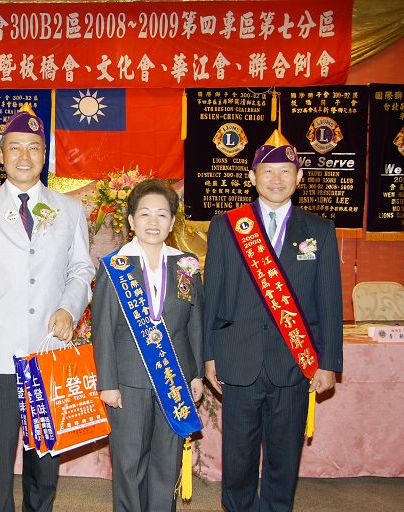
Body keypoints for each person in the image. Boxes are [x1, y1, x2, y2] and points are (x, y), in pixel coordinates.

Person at [0, 104, 94, 512]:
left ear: (44, 154)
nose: (24, 156)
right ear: (1, 153)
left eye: (33, 148)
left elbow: (82, 269)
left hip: (48, 351)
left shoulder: (69, 209)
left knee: (45, 460)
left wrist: (69, 309)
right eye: (15, 147)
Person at [203, 130, 343, 512]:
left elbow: (330, 301)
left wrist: (329, 362)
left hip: (295, 361)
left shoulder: (319, 229)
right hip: (239, 358)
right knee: (238, 457)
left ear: (299, 178)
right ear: (252, 177)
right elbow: (212, 295)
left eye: (286, 171)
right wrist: (209, 355)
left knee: (284, 459)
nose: (276, 179)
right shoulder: (227, 225)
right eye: (268, 171)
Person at [92, 179, 204, 512]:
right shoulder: (115, 266)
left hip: (174, 378)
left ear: (172, 222)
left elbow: (195, 323)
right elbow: (102, 329)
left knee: (166, 462)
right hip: (128, 382)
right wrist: (107, 383)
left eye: (161, 214)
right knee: (129, 463)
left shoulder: (186, 265)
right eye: (144, 214)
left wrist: (197, 374)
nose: (153, 222)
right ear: (131, 221)